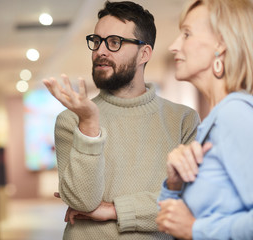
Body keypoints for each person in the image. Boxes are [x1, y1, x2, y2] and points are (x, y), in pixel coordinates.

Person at [43, 1, 200, 239]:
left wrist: (115, 210)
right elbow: (82, 202)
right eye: (96, 41)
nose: (100, 51)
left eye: (114, 42)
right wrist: (89, 125)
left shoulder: (183, 120)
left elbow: (189, 203)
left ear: (144, 54)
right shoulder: (71, 120)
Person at [155, 0, 253, 239]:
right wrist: (175, 184)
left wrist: (196, 230)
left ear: (221, 43)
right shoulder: (213, 121)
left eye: (187, 34)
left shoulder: (235, 114)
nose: (173, 46)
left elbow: (189, 227)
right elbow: (167, 220)